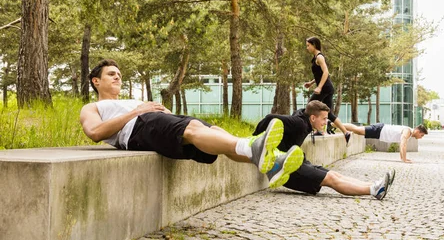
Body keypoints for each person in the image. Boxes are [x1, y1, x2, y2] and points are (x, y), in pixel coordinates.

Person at [80, 59, 304, 187]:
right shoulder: (92, 107)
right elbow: (95, 132)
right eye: (111, 74)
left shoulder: (131, 100)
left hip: (153, 121)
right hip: (137, 129)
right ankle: (254, 147)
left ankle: (272, 164)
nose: (118, 76)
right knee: (194, 130)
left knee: (215, 131)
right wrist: (137, 112)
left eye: (119, 73)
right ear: (96, 81)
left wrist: (163, 112)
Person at [253, 100, 395, 199]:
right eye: (324, 118)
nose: (326, 122)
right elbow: (270, 117)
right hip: (288, 171)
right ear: (313, 117)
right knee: (331, 179)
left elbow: (303, 110)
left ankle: (373, 184)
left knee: (334, 173)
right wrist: (254, 139)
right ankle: (373, 191)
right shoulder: (299, 123)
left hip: (297, 162)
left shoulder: (305, 116)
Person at [303, 36, 351, 144]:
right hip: (327, 88)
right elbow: (319, 74)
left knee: (309, 107)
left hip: (325, 88)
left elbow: (326, 72)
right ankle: (346, 132)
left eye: (308, 45)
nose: (307, 48)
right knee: (328, 114)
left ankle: (310, 130)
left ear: (314, 45)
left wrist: (319, 87)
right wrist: (311, 83)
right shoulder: (316, 58)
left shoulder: (319, 57)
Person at [343, 123, 428, 163]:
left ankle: (337, 125)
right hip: (380, 129)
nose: (421, 137)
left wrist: (403, 158)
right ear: (417, 131)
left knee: (358, 131)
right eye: (422, 135)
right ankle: (335, 124)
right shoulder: (407, 131)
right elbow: (403, 144)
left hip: (380, 133)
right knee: (357, 130)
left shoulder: (409, 133)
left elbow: (402, 145)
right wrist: (404, 159)